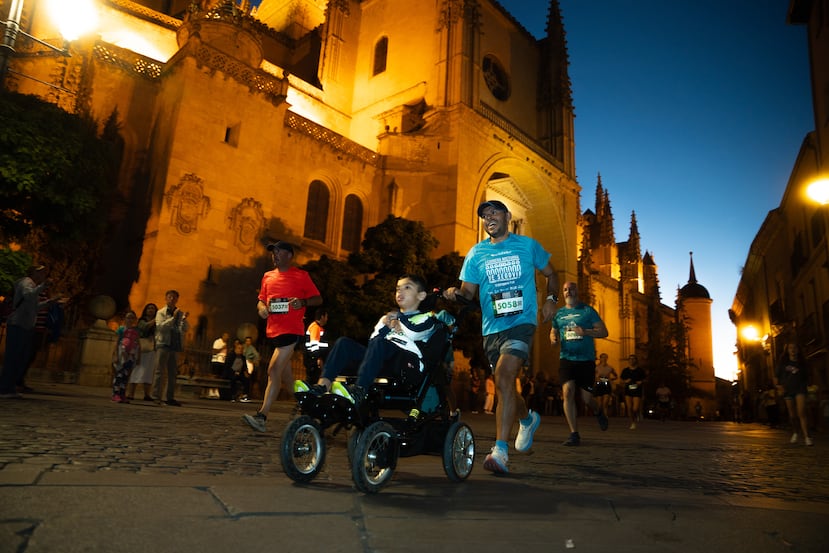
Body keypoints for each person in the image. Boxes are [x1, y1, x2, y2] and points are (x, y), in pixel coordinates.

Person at [444, 200, 559, 474]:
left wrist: (551, 299)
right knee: (505, 385)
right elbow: (467, 293)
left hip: (521, 322)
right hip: (491, 329)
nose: (489, 217)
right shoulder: (476, 253)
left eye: (494, 212)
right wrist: (454, 294)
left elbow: (552, 274)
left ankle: (500, 452)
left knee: (505, 377)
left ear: (507, 216)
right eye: (485, 215)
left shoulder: (527, 246)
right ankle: (527, 418)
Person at [296, 274, 437, 406]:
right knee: (344, 343)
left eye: (407, 287)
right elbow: (373, 344)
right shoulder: (387, 318)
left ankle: (359, 390)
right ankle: (322, 387)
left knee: (381, 343)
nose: (400, 291)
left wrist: (398, 320)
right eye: (398, 288)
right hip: (383, 361)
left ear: (421, 295)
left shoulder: (426, 318)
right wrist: (388, 324)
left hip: (407, 364)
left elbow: (414, 334)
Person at [242, 241, 322, 432]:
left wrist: (302, 302)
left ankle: (262, 416)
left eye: (278, 251)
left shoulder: (301, 276)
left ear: (289, 255)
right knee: (287, 379)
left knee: (273, 370)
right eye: (273, 252)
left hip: (291, 331)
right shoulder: (267, 276)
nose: (275, 255)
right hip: (273, 332)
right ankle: (310, 409)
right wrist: (261, 308)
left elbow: (318, 299)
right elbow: (261, 300)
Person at [550, 281, 609, 446]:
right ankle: (574, 433)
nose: (568, 292)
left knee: (587, 398)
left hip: (586, 360)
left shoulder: (587, 311)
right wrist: (553, 338)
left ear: (577, 291)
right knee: (567, 392)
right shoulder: (559, 314)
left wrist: (586, 332)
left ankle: (598, 411)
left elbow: (604, 331)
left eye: (571, 289)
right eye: (565, 289)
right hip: (567, 359)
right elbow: (553, 330)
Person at [0, 265, 51, 399]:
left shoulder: (32, 285)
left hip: (25, 325)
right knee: (13, 357)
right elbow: (28, 296)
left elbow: (33, 307)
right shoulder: (25, 282)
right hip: (18, 323)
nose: (44, 275)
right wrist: (43, 286)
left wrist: (50, 302)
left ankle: (9, 387)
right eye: (42, 273)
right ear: (35, 273)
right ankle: (5, 388)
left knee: (19, 358)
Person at [153, 290, 190, 406]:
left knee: (172, 373)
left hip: (175, 345)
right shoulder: (161, 312)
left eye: (174, 297)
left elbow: (185, 329)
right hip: (163, 344)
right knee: (159, 371)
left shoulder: (179, 313)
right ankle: (156, 396)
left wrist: (183, 320)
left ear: (177, 299)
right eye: (170, 297)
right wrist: (172, 319)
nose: (172, 299)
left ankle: (169, 397)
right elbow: (160, 327)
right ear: (166, 298)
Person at [775, 341, 813, 446]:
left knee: (802, 412)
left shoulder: (803, 363)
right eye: (790, 348)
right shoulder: (782, 364)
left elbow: (807, 377)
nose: (793, 350)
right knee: (792, 415)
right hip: (788, 391)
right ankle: (795, 432)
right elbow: (776, 377)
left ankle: (807, 437)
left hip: (800, 389)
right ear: (787, 350)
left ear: (798, 350)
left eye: (795, 347)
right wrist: (779, 387)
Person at [126, 303, 158, 401]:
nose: (151, 310)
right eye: (149, 308)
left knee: (148, 372)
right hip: (142, 348)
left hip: (151, 348)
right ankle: (131, 393)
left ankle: (147, 394)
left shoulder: (157, 322)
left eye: (153, 308)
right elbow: (144, 327)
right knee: (137, 369)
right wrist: (156, 320)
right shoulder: (142, 320)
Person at [112, 311, 141, 403]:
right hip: (122, 354)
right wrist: (115, 355)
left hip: (130, 356)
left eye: (132, 318)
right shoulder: (121, 329)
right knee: (119, 374)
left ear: (135, 320)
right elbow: (116, 342)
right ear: (124, 319)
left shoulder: (136, 331)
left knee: (126, 376)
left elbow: (138, 344)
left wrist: (138, 357)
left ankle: (122, 394)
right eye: (128, 317)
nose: (130, 320)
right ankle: (116, 394)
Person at [303, 308, 329, 385]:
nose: (327, 319)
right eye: (326, 317)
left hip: (313, 359)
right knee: (313, 380)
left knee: (313, 380)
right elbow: (314, 344)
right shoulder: (315, 327)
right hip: (313, 360)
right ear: (322, 317)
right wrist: (318, 358)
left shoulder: (316, 327)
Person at [621, 355, 646, 429]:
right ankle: (632, 422)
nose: (631, 360)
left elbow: (645, 379)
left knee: (635, 408)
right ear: (628, 361)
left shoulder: (640, 370)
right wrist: (626, 381)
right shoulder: (625, 370)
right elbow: (622, 379)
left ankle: (637, 413)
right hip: (628, 390)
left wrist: (641, 382)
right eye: (630, 359)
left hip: (637, 390)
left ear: (636, 360)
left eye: (633, 359)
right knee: (629, 407)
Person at [593, 353, 618, 424]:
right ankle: (600, 415)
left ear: (607, 358)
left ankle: (605, 416)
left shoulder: (610, 367)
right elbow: (592, 376)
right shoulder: (596, 367)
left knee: (605, 403)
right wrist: (596, 378)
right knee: (600, 404)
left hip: (606, 385)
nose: (604, 359)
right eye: (602, 357)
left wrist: (611, 379)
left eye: (605, 357)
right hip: (599, 385)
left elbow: (616, 376)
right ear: (600, 359)